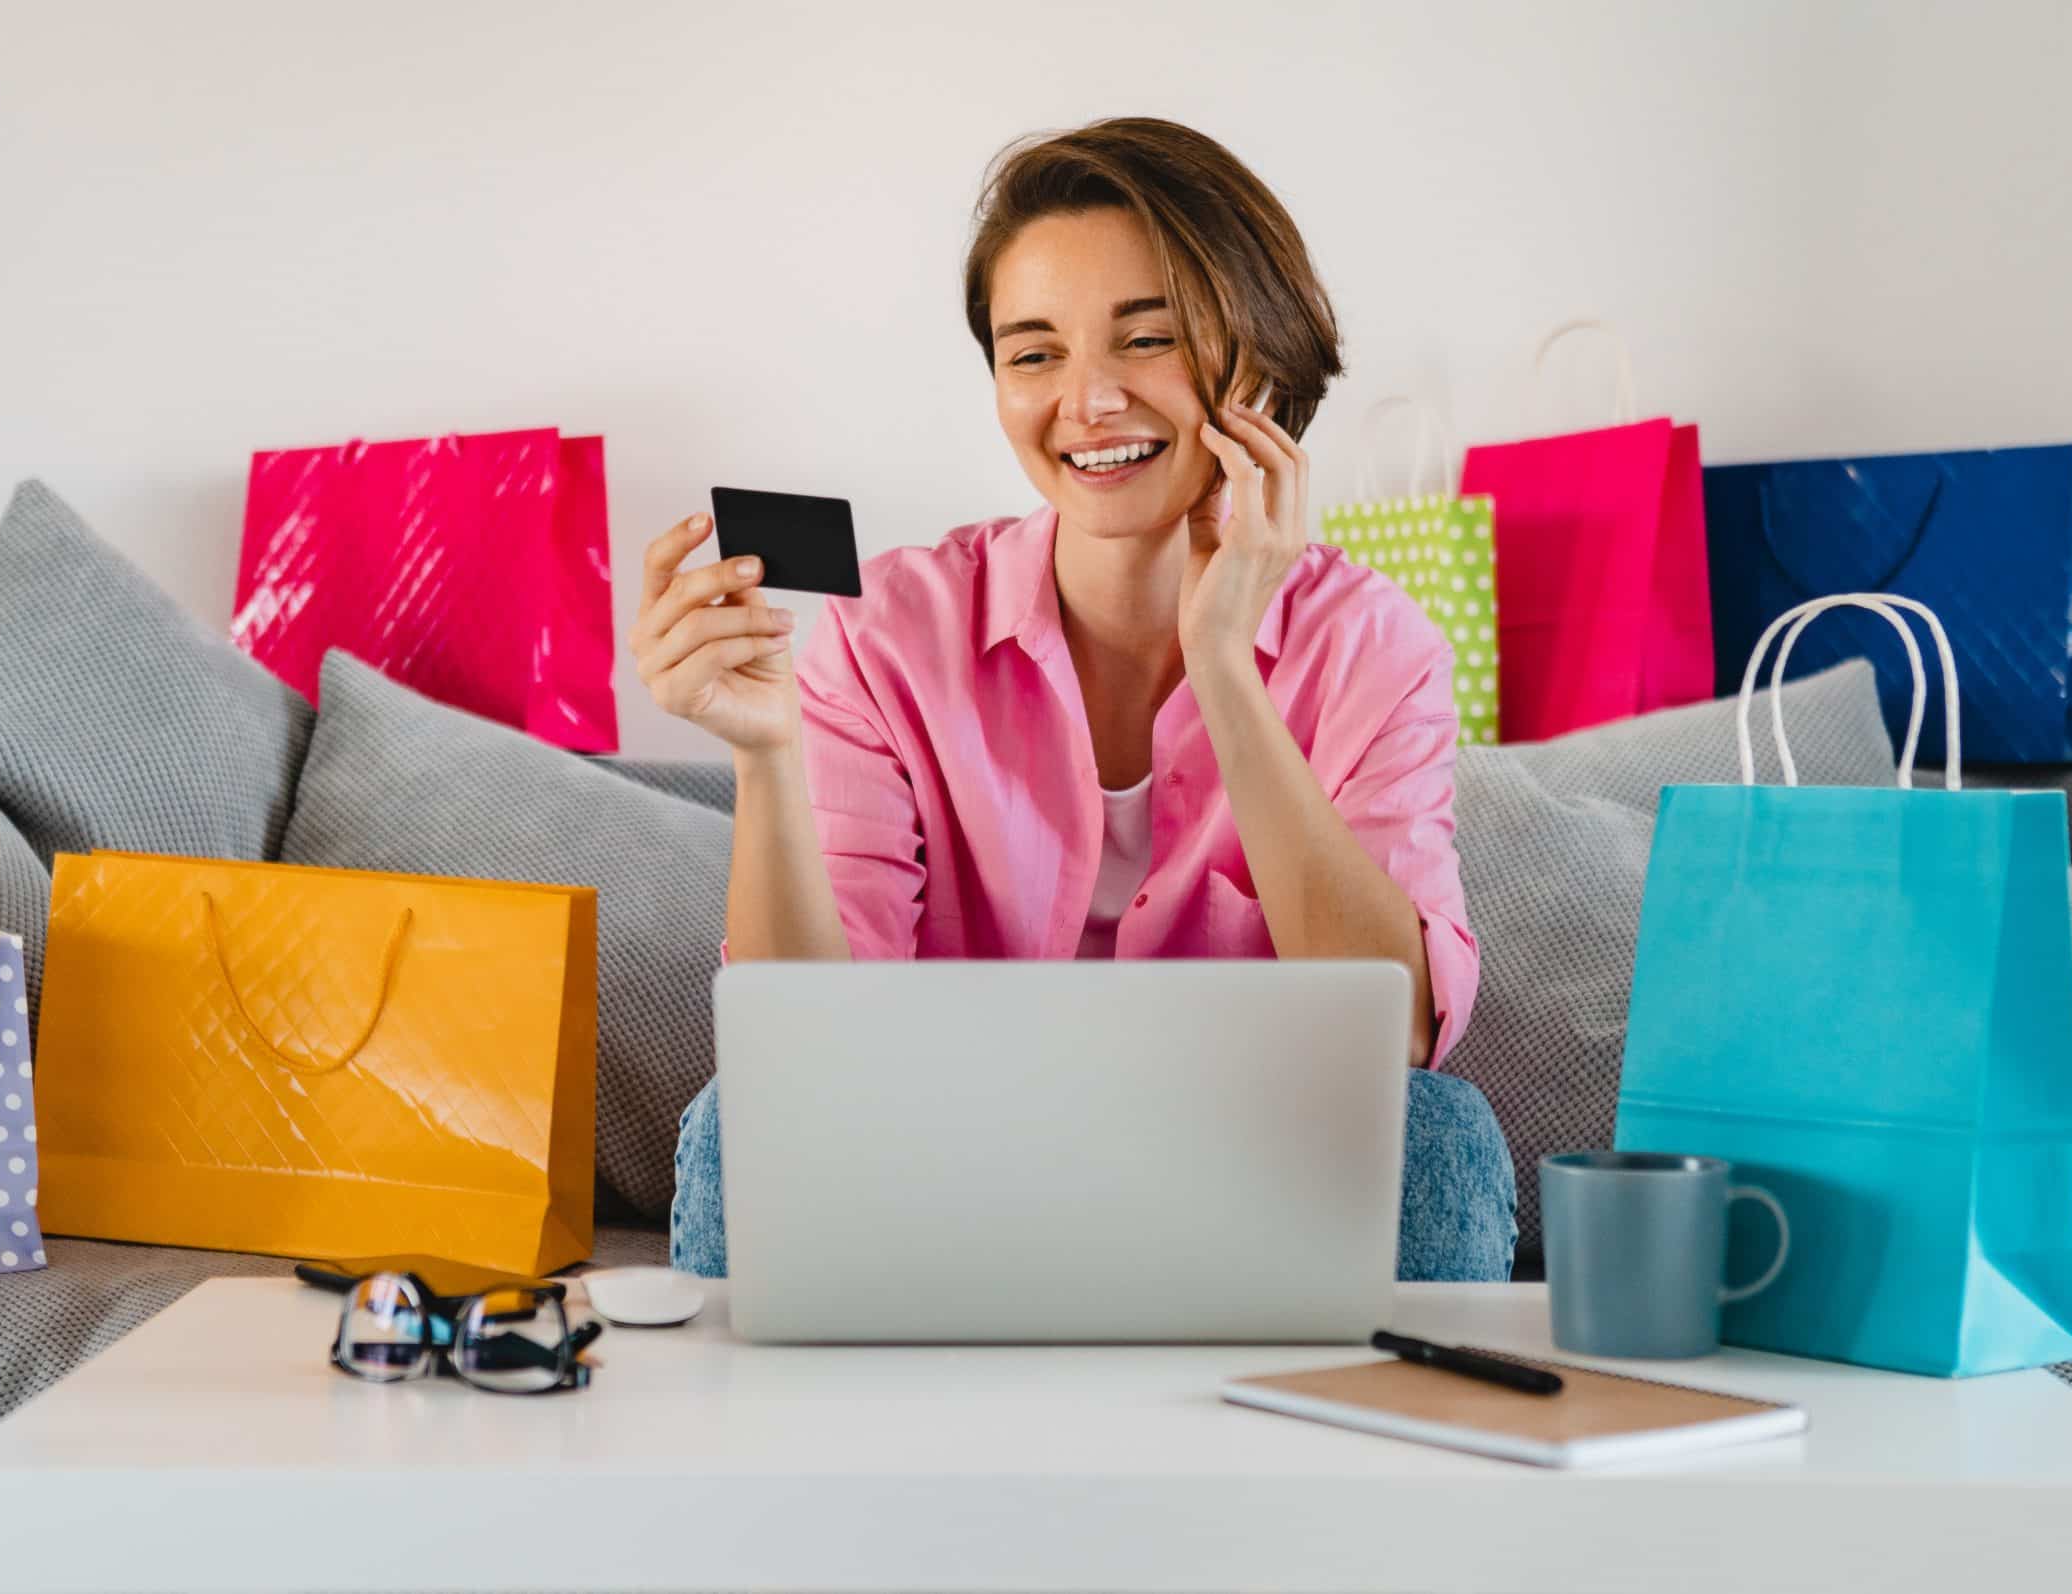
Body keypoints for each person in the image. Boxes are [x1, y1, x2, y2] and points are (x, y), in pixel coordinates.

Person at [630, 117, 1514, 1281]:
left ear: (1259, 367)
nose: (1086, 401)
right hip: (948, 1167)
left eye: (1145, 340)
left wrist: (1225, 675)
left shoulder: (1371, 647)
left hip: (1248, 1171)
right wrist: (764, 757)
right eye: (1032, 353)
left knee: (1440, 1143)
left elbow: (1393, 1035)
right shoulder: (887, 637)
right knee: (738, 1124)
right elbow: (800, 1062)